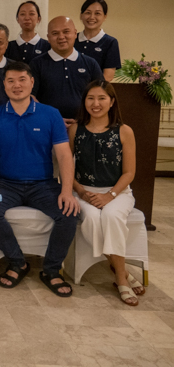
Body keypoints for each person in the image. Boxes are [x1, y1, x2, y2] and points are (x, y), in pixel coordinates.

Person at [0, 61, 79, 297]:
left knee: (70, 212)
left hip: (43, 185)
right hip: (6, 184)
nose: (17, 85)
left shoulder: (51, 114)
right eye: (10, 81)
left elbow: (64, 156)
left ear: (32, 82)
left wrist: (66, 191)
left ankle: (51, 270)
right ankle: (17, 262)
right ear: (4, 86)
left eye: (22, 79)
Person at [69, 80, 142, 305]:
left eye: (102, 98)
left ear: (111, 102)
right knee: (91, 218)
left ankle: (120, 277)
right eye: (90, 98)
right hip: (83, 191)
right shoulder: (75, 129)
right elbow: (65, 168)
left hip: (118, 193)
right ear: (84, 101)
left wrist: (109, 196)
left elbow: (129, 172)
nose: (96, 103)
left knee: (111, 216)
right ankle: (123, 270)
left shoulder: (124, 131)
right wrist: (80, 192)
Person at [31, 16, 103, 127]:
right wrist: (53, 119)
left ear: (75, 33)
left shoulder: (90, 63)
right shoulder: (36, 64)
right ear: (48, 37)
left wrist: (86, 120)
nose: (61, 37)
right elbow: (29, 97)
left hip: (85, 126)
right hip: (47, 126)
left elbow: (102, 96)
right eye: (55, 33)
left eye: (66, 32)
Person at [75, 0, 121, 81]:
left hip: (94, 92)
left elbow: (108, 77)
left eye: (97, 13)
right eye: (88, 13)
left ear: (105, 17)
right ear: (81, 15)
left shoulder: (110, 42)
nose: (92, 17)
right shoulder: (72, 39)